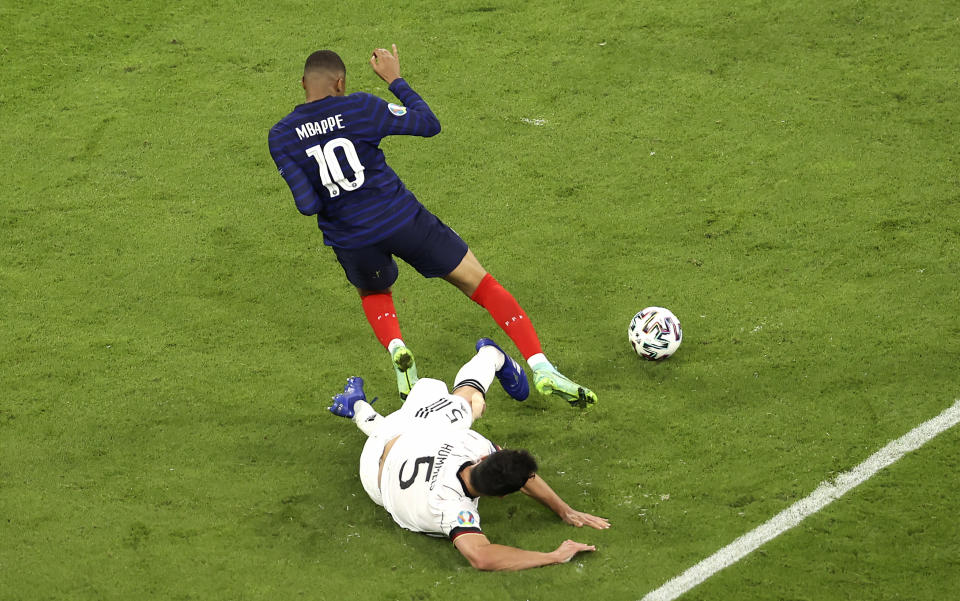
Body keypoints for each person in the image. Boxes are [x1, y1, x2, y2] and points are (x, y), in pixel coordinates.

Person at [268, 45, 596, 407]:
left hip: (352, 238)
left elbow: (307, 204)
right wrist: (395, 79)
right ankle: (541, 365)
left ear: (302, 83)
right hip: (403, 220)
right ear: (340, 83)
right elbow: (428, 124)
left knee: (374, 291)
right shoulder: (359, 106)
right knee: (482, 284)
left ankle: (397, 347)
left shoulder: (281, 135)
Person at [327, 338, 610, 571]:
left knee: (462, 405)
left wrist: (562, 511)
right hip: (377, 475)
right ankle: (361, 410)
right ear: (500, 496)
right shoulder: (454, 508)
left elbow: (519, 478)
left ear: (484, 459)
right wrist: (555, 549)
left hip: (398, 441)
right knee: (461, 407)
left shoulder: (471, 444)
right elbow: (482, 556)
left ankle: (489, 357)